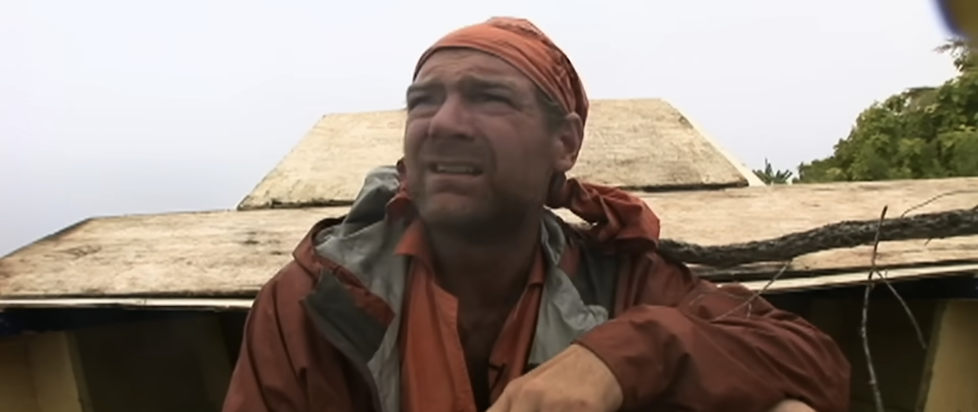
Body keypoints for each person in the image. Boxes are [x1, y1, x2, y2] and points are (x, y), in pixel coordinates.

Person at [222, 17, 850, 412]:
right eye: (425, 102)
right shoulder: (318, 297)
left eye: (488, 98)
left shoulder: (623, 282)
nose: (443, 123)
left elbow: (813, 362)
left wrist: (616, 360)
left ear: (565, 144)